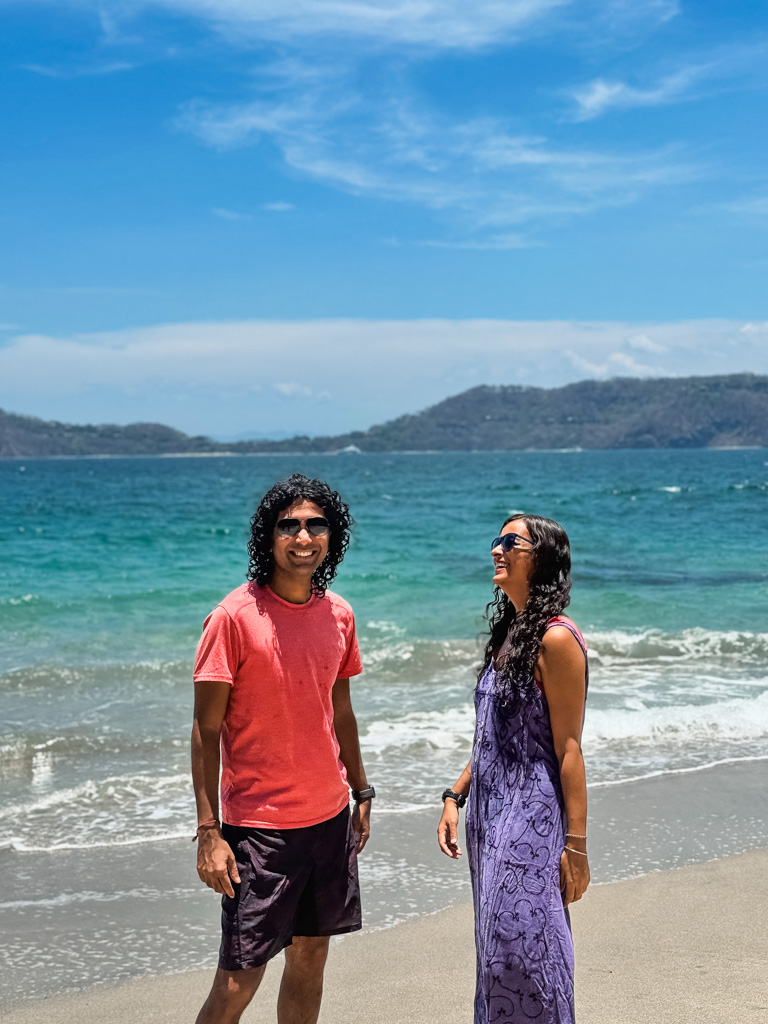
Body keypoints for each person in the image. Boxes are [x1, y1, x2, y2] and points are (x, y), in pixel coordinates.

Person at [191, 474, 374, 1024]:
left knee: (311, 959)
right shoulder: (232, 618)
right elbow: (204, 731)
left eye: (315, 524)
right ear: (268, 538)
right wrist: (209, 833)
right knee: (238, 978)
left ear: (331, 537)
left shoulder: (339, 614)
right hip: (260, 829)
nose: (302, 536)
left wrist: (360, 789)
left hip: (327, 817)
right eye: (288, 525)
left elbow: (339, 710)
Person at [438, 513, 589, 1024]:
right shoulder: (512, 632)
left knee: (524, 948)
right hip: (490, 818)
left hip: (532, 821)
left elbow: (569, 747)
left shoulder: (557, 639)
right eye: (496, 540)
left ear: (541, 556)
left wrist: (577, 846)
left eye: (511, 541)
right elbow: (495, 737)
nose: (497, 549)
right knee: (495, 956)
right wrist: (455, 795)